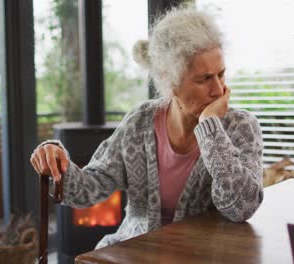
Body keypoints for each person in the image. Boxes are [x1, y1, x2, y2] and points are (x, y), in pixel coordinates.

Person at [30, 6, 263, 249]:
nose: (218, 90)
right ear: (169, 80)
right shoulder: (140, 121)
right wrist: (57, 163)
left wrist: (210, 129)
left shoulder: (240, 127)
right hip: (135, 251)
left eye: (221, 74)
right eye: (204, 79)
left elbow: (241, 208)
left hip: (200, 255)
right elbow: (87, 190)